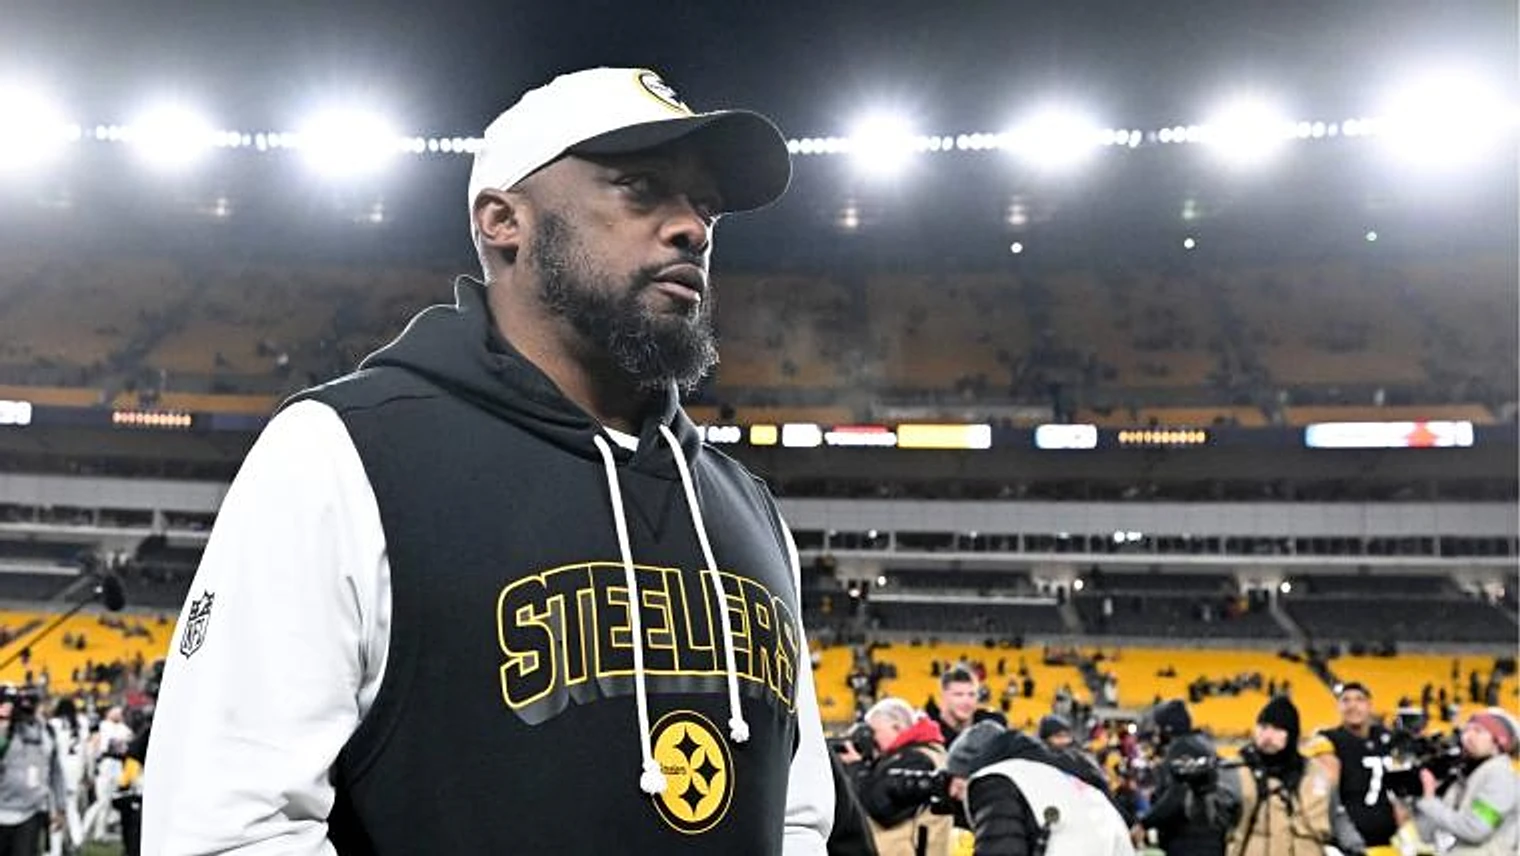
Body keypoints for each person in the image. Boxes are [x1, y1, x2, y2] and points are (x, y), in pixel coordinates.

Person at [143, 67, 831, 855]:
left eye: (705, 205)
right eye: (640, 188)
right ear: (504, 221)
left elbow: (798, 821)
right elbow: (226, 829)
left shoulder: (745, 504)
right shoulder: (342, 450)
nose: (692, 229)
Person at [943, 720, 1135, 855]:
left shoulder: (997, 780)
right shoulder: (1058, 776)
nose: (954, 793)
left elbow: (1001, 849)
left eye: (959, 784)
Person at [1227, 695, 1363, 856]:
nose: (1268, 735)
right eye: (1263, 727)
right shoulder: (1234, 772)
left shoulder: (1316, 774)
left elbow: (1336, 817)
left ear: (1291, 734)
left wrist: (1356, 848)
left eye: (1277, 729)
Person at [838, 698, 952, 856]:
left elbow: (881, 807)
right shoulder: (918, 753)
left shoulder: (917, 759)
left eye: (874, 732)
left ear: (897, 728)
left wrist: (856, 767)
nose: (870, 739)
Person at [1412, 707, 1519, 855]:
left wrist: (1430, 802)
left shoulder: (1500, 776)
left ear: (1499, 741)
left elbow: (1475, 829)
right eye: (1467, 730)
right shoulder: (1465, 776)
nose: (1468, 736)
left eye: (1478, 731)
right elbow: (1427, 834)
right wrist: (1419, 800)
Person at [1140, 699, 1238, 856]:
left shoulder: (1182, 748)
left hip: (1190, 841)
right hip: (1209, 838)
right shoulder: (1201, 745)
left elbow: (1176, 796)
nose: (1156, 733)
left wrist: (1145, 823)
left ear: (1168, 727)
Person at [1313, 682, 1398, 848]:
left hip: (1391, 835)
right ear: (1338, 706)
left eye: (1359, 699)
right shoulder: (1329, 739)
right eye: (1346, 700)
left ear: (1369, 705)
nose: (1352, 706)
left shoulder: (1386, 737)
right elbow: (1328, 794)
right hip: (1348, 838)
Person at [0, 687, 66, 856]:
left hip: (32, 810)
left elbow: (55, 772)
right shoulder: (4, 731)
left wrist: (60, 807)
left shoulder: (47, 733)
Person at [936, 667, 1007, 747]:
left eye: (972, 694)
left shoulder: (993, 724)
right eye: (958, 695)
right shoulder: (930, 734)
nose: (966, 701)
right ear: (943, 697)